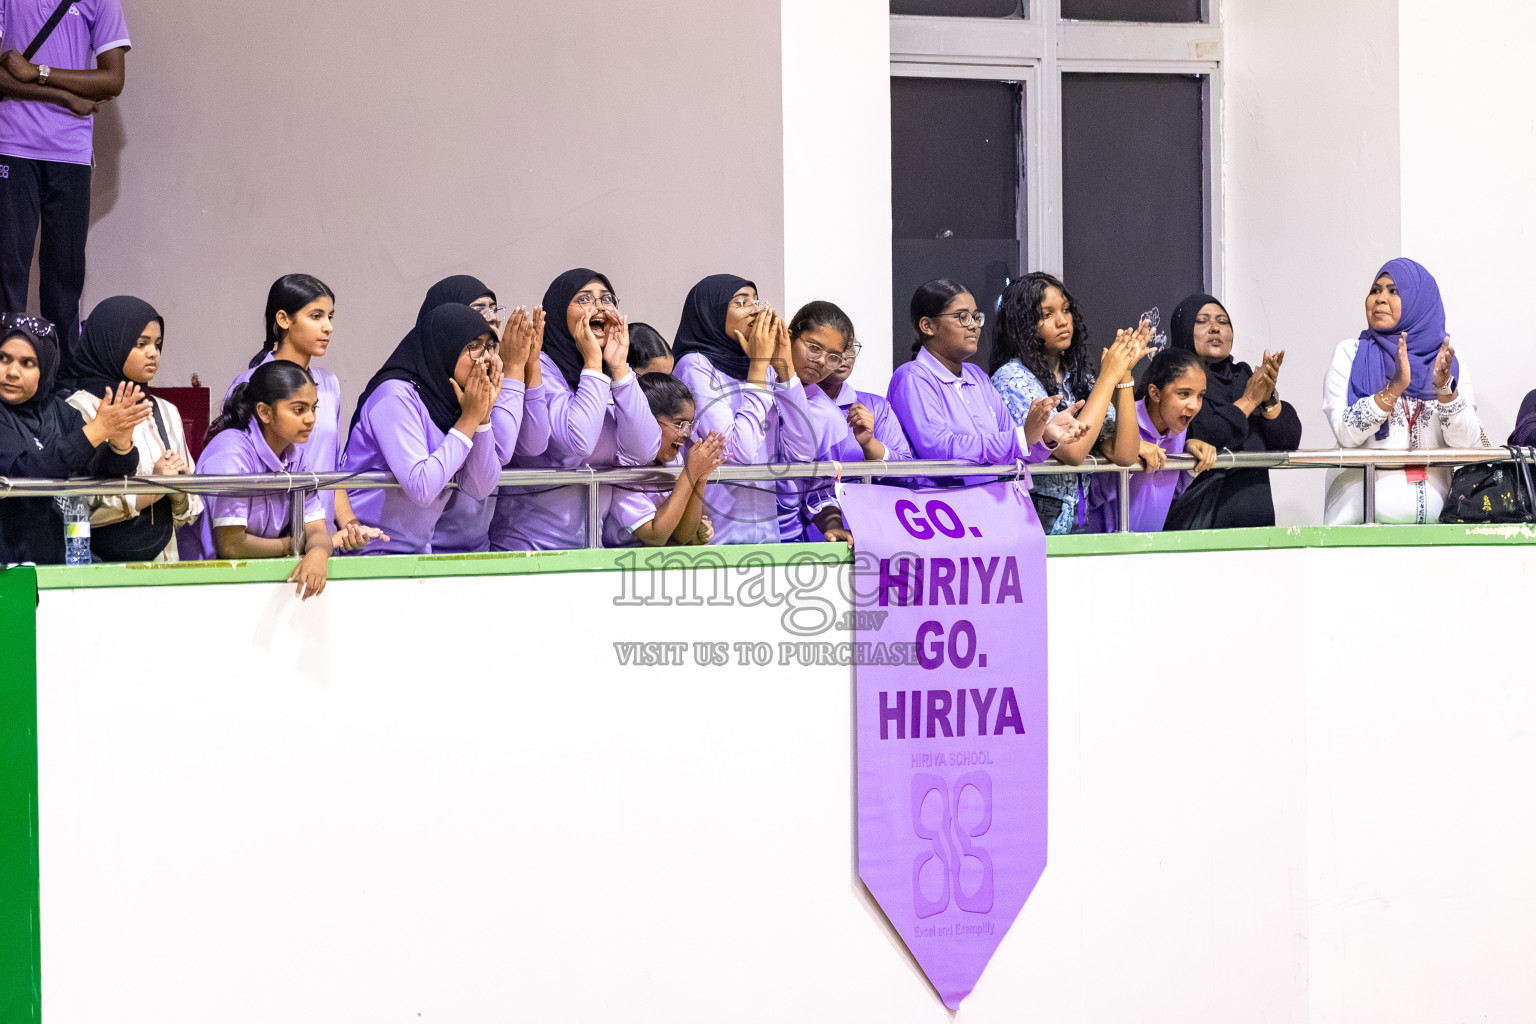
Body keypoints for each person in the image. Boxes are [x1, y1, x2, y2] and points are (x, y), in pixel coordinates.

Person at [0, 0, 130, 366]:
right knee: (8, 268)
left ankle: (63, 375)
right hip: (12, 145)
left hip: (70, 152)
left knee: (64, 274)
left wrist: (38, 72)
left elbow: (113, 80)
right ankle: (8, 370)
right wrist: (64, 94)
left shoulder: (101, 2)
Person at [491, 268, 659, 550]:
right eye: (584, 299)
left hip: (589, 547)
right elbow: (578, 442)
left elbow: (644, 450)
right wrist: (592, 363)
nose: (599, 307)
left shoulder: (609, 373)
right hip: (528, 546)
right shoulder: (539, 366)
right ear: (559, 312)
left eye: (607, 299)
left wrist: (619, 366)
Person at [181, 360, 364, 599]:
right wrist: (295, 545)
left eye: (314, 408)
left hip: (252, 582)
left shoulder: (296, 456)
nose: (310, 419)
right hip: (200, 583)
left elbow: (316, 528)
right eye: (299, 410)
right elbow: (232, 545)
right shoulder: (232, 452)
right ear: (265, 412)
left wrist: (318, 553)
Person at [1321, 258, 1484, 525]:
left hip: (1435, 527)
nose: (1380, 298)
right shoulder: (1351, 354)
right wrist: (1394, 388)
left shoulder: (1449, 361)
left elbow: (1466, 442)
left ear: (1420, 301)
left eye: (1393, 291)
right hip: (1360, 520)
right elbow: (1345, 433)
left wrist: (1444, 389)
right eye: (1375, 290)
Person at [888, 280, 1088, 491]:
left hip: (991, 501)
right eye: (962, 317)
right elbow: (939, 449)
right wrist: (1020, 438)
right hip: (942, 505)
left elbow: (1016, 447)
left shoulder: (977, 376)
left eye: (976, 317)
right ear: (927, 326)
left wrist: (1044, 435)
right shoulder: (913, 377)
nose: (974, 325)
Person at [990, 272, 1146, 533]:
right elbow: (1072, 452)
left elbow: (1125, 454)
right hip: (1032, 513)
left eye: (1066, 309)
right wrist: (1108, 377)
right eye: (1047, 314)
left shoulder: (1078, 377)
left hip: (1078, 512)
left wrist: (1124, 376)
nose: (1062, 321)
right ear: (1022, 323)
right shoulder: (1011, 378)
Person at [342, 303, 503, 554]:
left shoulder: (454, 402)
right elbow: (422, 487)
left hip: (415, 552)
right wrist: (470, 419)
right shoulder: (395, 396)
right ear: (444, 348)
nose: (486, 358)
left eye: (490, 346)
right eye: (473, 346)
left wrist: (482, 419)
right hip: (365, 551)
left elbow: (480, 488)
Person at [671, 274, 821, 545]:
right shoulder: (695, 366)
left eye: (756, 300)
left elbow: (804, 452)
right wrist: (759, 367)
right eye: (741, 302)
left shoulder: (761, 368)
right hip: (712, 539)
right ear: (712, 314)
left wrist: (785, 368)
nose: (755, 310)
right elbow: (739, 451)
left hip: (766, 538)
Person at [61, 295, 203, 561]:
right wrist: (155, 488)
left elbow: (188, 512)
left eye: (157, 344)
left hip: (165, 562)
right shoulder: (78, 408)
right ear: (110, 343)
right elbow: (77, 509)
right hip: (102, 568)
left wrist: (179, 489)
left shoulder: (165, 411)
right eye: (141, 344)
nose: (153, 353)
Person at [417, 276, 547, 553]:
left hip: (478, 546)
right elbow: (501, 451)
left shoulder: (491, 373)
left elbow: (534, 444)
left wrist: (526, 364)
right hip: (426, 549)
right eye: (479, 309)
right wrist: (513, 367)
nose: (493, 318)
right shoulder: (416, 388)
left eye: (494, 308)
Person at [0, 315, 143, 564]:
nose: (12, 372)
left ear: (46, 368)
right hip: (11, 569)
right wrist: (96, 431)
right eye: (4, 359)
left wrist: (120, 443)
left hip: (65, 563)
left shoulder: (60, 411)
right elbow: (25, 471)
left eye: (27, 363)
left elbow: (102, 471)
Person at [1163, 293, 1303, 530]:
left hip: (1256, 530)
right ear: (1183, 328)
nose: (1215, 328)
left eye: (1223, 321)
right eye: (1202, 321)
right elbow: (1205, 435)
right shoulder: (1169, 381)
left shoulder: (1243, 377)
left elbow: (1288, 441)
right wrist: (1249, 400)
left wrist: (1268, 398)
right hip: (1195, 527)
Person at [1083, 347, 1217, 533]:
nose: (1194, 405)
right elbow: (1090, 496)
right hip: (1103, 545)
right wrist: (1128, 453)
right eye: (1184, 394)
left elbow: (1170, 491)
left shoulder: (1178, 429)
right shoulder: (1121, 422)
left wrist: (1191, 460)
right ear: (1155, 393)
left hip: (1149, 546)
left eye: (1200, 395)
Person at [603, 372, 725, 547]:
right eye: (679, 424)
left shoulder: (673, 460)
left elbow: (681, 537)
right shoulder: (621, 465)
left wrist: (701, 478)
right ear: (647, 421)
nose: (686, 434)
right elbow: (656, 535)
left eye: (690, 425)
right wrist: (691, 473)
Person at [814, 328, 915, 465]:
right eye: (835, 348)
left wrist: (869, 443)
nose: (843, 356)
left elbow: (906, 470)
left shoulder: (877, 406)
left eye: (849, 347)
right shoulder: (794, 404)